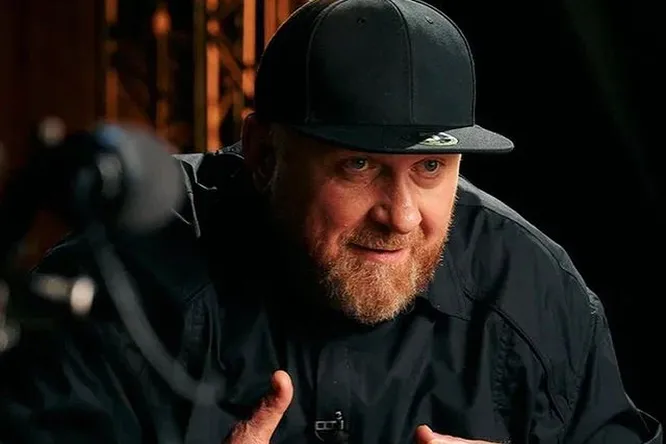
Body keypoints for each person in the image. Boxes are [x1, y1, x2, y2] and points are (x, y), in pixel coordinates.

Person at [0, 0, 661, 443]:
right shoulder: (123, 279)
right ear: (264, 155)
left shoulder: (531, 291)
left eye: (431, 169)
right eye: (359, 165)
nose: (402, 216)